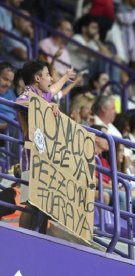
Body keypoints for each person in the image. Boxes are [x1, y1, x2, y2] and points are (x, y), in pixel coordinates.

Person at [16, 60, 76, 232]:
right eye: (47, 75)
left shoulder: (43, 95)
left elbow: (54, 89)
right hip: (30, 156)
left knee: (45, 204)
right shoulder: (27, 95)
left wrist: (65, 77)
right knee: (31, 201)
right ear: (37, 78)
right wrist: (46, 106)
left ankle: (38, 237)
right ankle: (23, 236)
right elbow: (19, 103)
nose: (50, 78)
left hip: (46, 158)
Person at [0, 62, 16, 131]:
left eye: (10, 81)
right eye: (5, 79)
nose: (8, 84)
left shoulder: (11, 93)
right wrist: (4, 127)